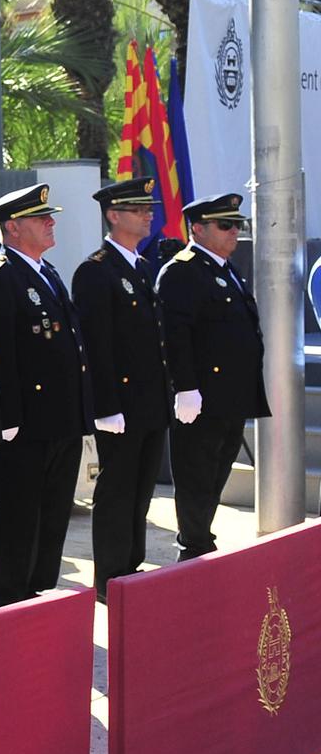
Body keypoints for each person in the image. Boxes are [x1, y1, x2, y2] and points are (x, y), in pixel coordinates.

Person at [0, 183, 91, 607]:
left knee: (53, 513)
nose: (51, 222)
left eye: (49, 215)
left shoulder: (47, 271)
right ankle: (6, 596)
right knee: (19, 515)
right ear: (13, 227)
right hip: (24, 424)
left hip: (60, 418)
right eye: (41, 218)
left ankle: (37, 588)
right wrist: (6, 416)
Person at [72, 178, 170, 602]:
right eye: (138, 209)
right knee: (116, 492)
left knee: (142, 491)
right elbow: (98, 344)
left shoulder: (143, 268)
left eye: (148, 208)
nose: (148, 215)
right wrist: (106, 405)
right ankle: (111, 579)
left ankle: (132, 569)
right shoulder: (96, 271)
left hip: (149, 402)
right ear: (114, 216)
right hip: (121, 407)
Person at [157, 193, 268, 560]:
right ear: (198, 229)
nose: (235, 231)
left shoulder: (225, 269)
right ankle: (193, 546)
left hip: (231, 397)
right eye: (226, 224)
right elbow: (176, 333)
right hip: (202, 398)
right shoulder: (183, 270)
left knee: (215, 475)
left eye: (238, 224)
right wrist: (185, 387)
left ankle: (201, 538)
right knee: (196, 478)